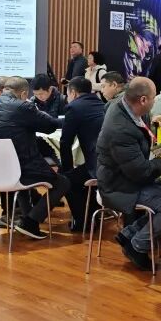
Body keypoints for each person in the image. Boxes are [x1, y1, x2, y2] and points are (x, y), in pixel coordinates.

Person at [96, 77, 161, 270]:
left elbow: (149, 143)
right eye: (154, 97)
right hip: (119, 186)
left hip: (126, 177)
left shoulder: (129, 108)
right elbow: (141, 172)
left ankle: (129, 233)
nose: (155, 101)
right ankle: (137, 246)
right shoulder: (121, 129)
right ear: (143, 100)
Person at [0, 77, 71, 239]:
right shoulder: (23, 107)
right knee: (63, 182)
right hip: (22, 168)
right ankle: (31, 222)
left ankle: (27, 218)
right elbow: (49, 126)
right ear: (23, 94)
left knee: (22, 181)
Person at [59, 76, 105, 232]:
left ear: (73, 92)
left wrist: (66, 169)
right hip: (110, 162)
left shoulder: (74, 107)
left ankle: (82, 222)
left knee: (67, 180)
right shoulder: (101, 104)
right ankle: (92, 217)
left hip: (97, 165)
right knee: (80, 177)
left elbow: (65, 142)